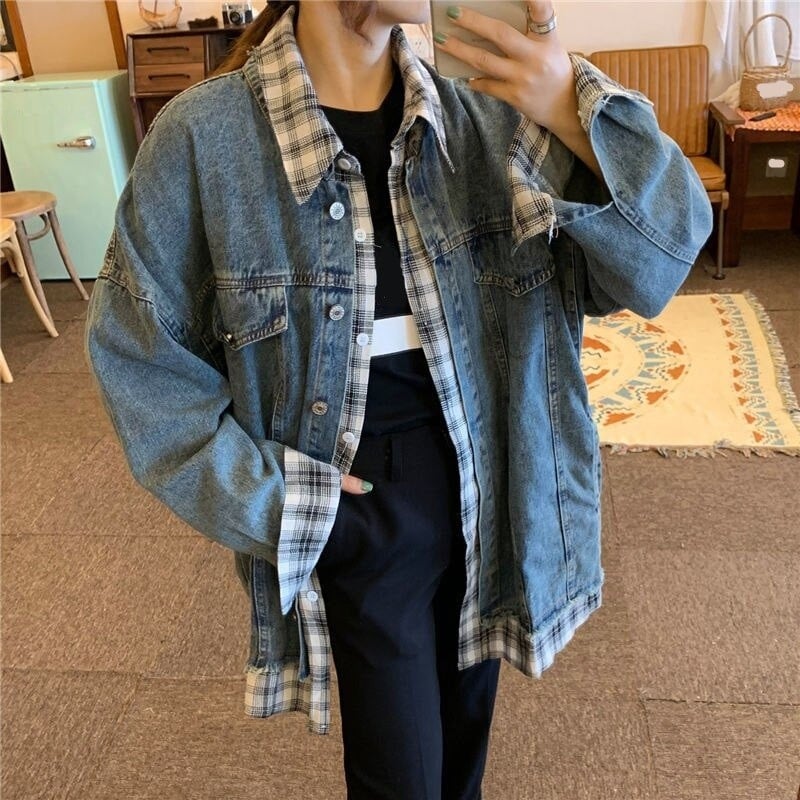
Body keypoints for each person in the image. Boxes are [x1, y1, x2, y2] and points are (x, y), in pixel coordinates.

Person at [84, 1, 712, 798]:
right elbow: (139, 358)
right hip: (360, 505)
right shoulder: (207, 136)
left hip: (493, 485)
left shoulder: (490, 111)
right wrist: (291, 508)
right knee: (402, 776)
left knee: (461, 756)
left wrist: (570, 107)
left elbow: (658, 265)